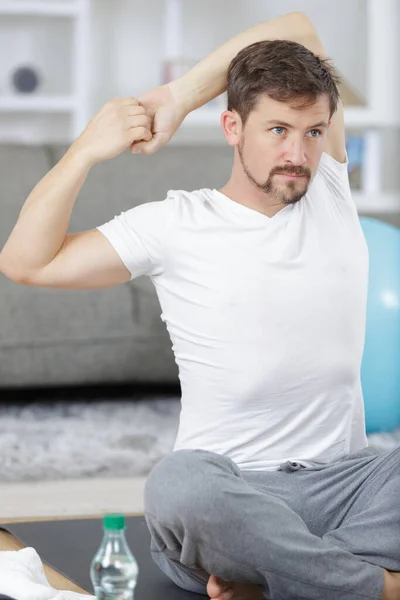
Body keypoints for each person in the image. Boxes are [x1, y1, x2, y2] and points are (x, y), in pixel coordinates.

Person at [0, 10, 399, 600]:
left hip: (344, 486)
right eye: (278, 130)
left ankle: (275, 580)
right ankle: (371, 585)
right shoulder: (175, 223)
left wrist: (176, 96)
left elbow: (301, 31)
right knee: (178, 485)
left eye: (314, 132)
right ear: (232, 126)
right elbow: (26, 262)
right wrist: (85, 150)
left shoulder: (330, 191)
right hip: (230, 496)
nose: (298, 152)